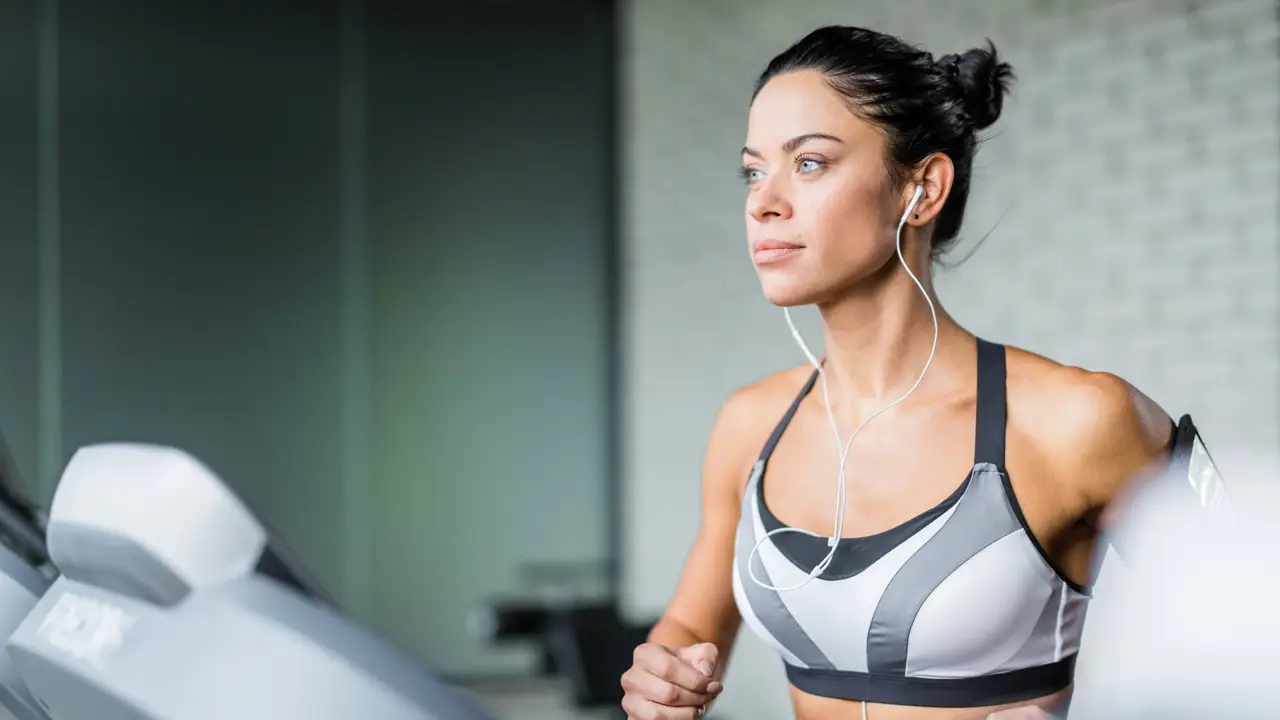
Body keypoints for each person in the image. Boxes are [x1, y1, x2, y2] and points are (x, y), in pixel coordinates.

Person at [619, 25, 1174, 720]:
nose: (763, 202)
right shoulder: (749, 425)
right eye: (753, 170)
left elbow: (1246, 650)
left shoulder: (1079, 419)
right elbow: (689, 633)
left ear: (923, 188)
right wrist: (660, 676)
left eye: (810, 163)